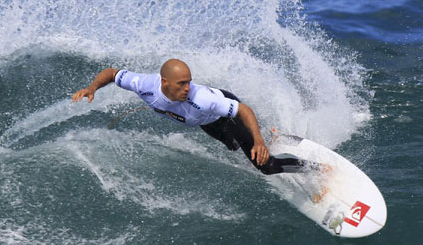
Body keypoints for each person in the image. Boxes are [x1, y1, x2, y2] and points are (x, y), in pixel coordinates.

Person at [72, 58, 306, 175]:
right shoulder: (143, 84)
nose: (187, 88)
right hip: (206, 122)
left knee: (264, 166)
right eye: (181, 84)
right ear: (164, 82)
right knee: (234, 147)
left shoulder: (202, 98)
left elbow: (244, 110)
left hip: (222, 113)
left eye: (189, 82)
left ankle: (317, 169)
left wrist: (258, 142)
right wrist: (92, 88)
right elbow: (112, 74)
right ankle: (272, 137)